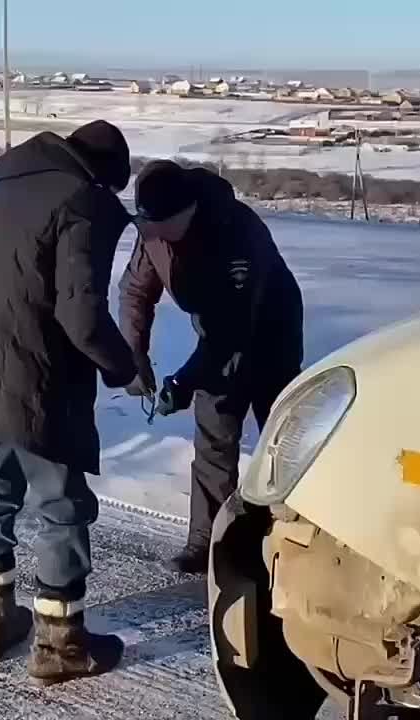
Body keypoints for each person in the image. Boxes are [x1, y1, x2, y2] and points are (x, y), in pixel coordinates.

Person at [0, 120, 139, 685]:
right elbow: (82, 316)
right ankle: (60, 644)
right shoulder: (79, 200)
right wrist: (126, 368)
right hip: (33, 375)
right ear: (103, 174)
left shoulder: (1, 190)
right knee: (59, 505)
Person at [118, 159, 304, 574]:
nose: (156, 235)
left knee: (279, 438)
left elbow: (234, 327)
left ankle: (290, 544)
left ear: (189, 211)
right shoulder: (154, 231)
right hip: (215, 333)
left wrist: (185, 380)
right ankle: (207, 543)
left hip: (270, 329)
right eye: (150, 226)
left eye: (165, 225)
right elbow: (134, 291)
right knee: (214, 435)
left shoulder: (237, 230)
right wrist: (132, 358)